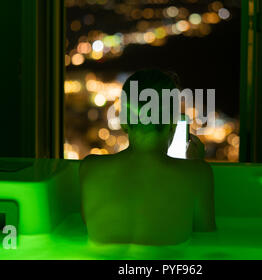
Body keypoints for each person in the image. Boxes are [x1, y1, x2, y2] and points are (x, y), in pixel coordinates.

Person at [79, 69, 216, 246]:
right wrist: (194, 164)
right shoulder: (198, 174)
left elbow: (86, 223)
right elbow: (206, 241)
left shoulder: (89, 169)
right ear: (174, 122)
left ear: (123, 121)